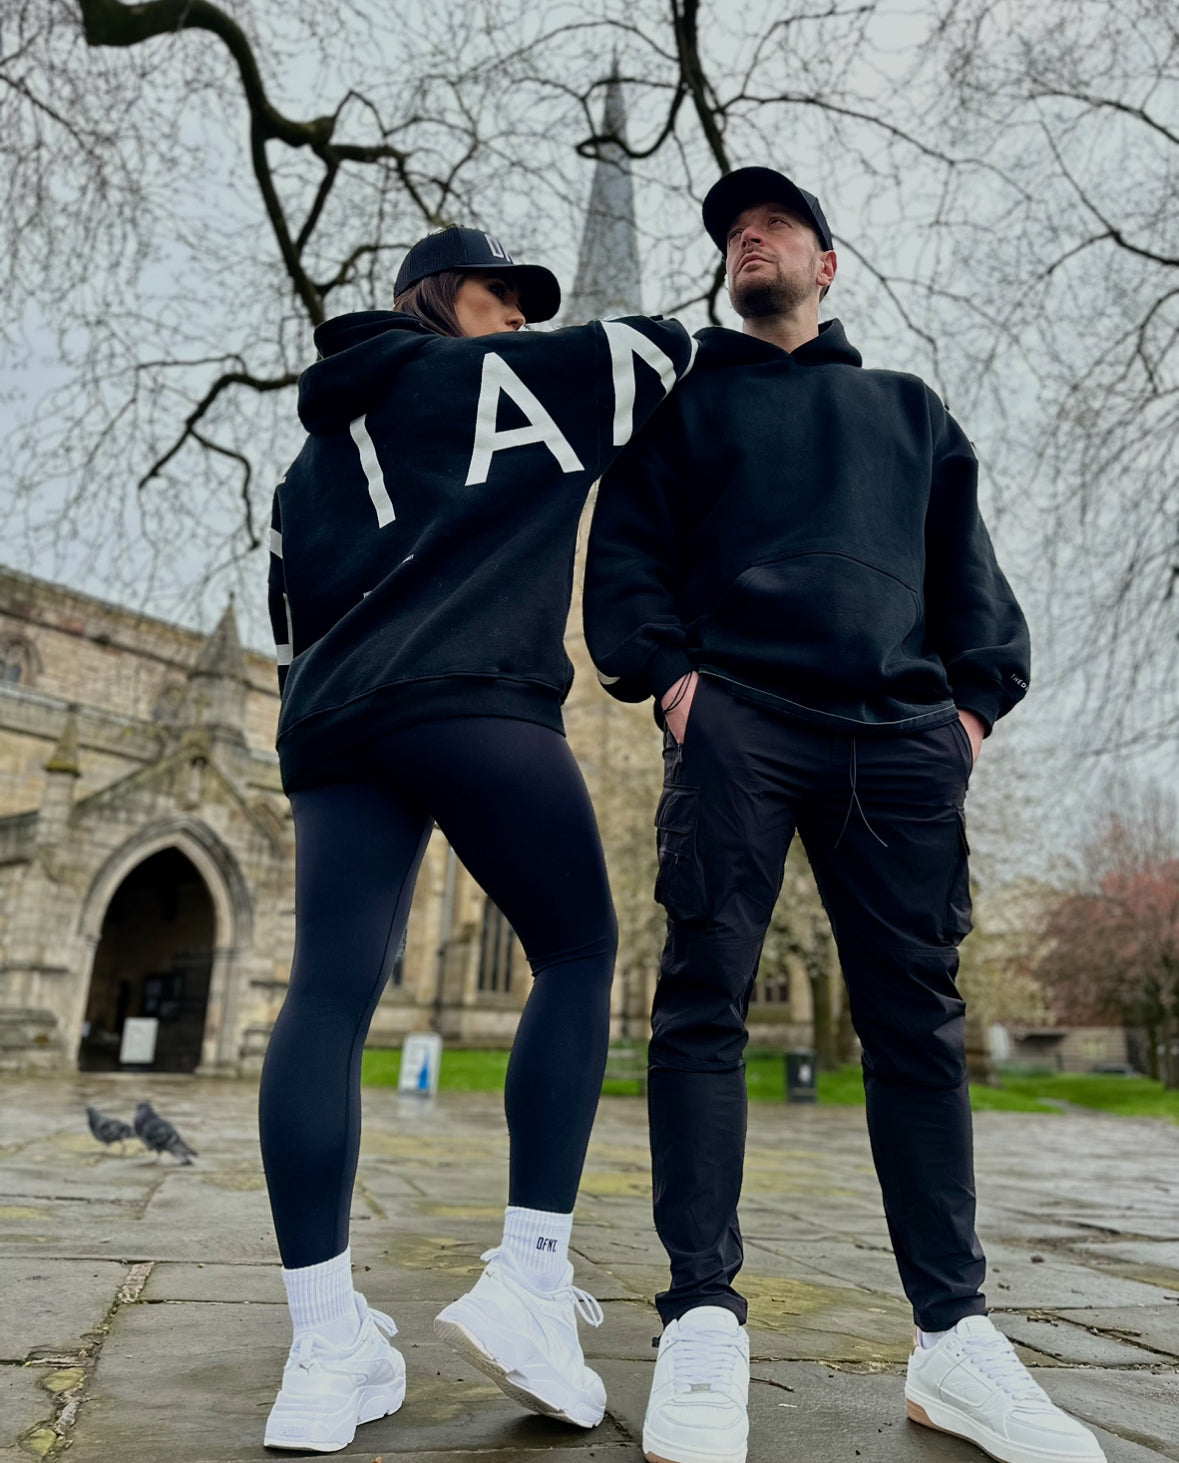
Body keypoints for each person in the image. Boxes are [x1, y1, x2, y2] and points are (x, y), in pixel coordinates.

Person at [584, 169, 1104, 1463]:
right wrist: (672, 679)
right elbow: (626, 556)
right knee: (701, 999)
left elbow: (971, 588)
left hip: (897, 738)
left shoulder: (905, 412)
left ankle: (954, 1339)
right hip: (737, 716)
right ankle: (701, 1313)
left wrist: (964, 719)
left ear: (827, 263)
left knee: (914, 1026)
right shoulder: (681, 406)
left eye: (770, 225)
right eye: (728, 232)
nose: (743, 238)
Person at [259, 225, 694, 1453]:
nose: (517, 314)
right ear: (429, 299)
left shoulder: (306, 461)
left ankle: (322, 1345)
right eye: (500, 293)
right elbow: (660, 352)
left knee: (326, 1001)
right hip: (471, 699)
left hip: (333, 726)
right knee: (577, 949)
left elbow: (287, 624)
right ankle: (531, 1279)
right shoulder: (495, 378)